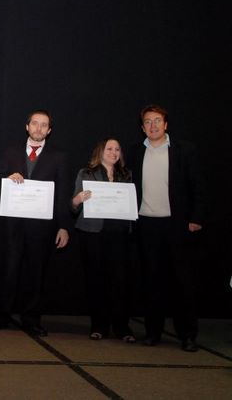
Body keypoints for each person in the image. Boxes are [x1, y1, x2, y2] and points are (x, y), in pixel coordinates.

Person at [0, 110, 71, 336]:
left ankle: (31, 319)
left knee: (36, 274)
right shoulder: (10, 152)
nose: (38, 128)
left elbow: (62, 193)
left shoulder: (58, 157)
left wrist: (63, 226)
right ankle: (2, 316)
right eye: (35, 123)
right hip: (12, 225)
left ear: (49, 130)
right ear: (27, 126)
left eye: (44, 125)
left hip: (42, 228)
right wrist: (7, 180)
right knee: (8, 271)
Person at [129, 105, 204, 352]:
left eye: (157, 121)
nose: (153, 125)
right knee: (152, 282)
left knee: (183, 283)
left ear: (166, 124)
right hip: (146, 224)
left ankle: (188, 335)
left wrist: (196, 217)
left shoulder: (184, 150)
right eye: (148, 122)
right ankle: (153, 332)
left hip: (177, 225)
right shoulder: (135, 152)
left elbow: (197, 186)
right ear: (142, 128)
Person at [71, 138, 136, 343]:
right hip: (93, 234)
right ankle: (99, 326)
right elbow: (73, 205)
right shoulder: (86, 173)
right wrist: (79, 199)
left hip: (119, 235)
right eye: (109, 148)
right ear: (100, 151)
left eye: (117, 149)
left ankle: (122, 327)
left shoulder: (126, 175)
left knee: (120, 282)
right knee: (96, 281)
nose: (113, 152)